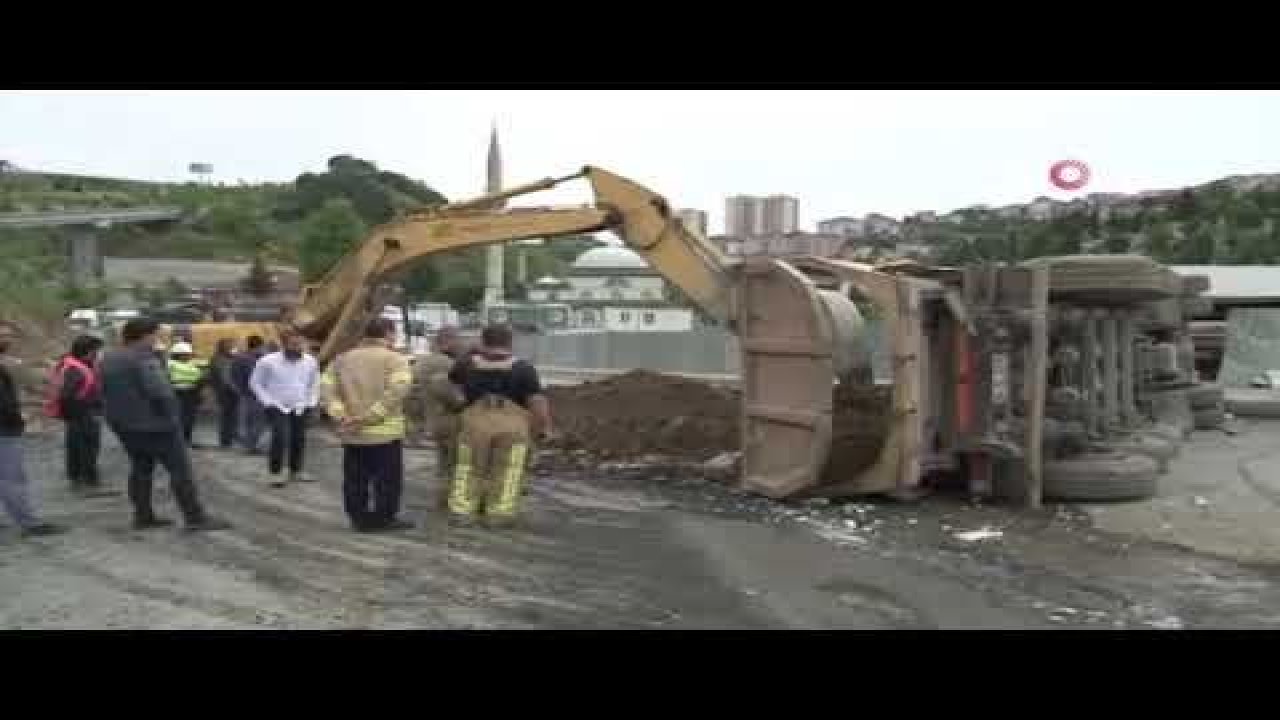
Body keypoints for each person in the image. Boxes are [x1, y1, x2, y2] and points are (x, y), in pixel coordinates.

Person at [99, 317, 230, 532]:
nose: (157, 340)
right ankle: (195, 517)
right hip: (156, 425)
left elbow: (103, 391)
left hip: (124, 425)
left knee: (141, 469)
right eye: (156, 335)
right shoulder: (144, 358)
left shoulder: (108, 358)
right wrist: (173, 418)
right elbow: (160, 391)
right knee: (180, 471)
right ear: (146, 335)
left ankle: (143, 515)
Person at [447, 323, 554, 528]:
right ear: (510, 342)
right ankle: (499, 515)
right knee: (508, 470)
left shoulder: (467, 365)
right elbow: (537, 403)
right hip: (512, 427)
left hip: (474, 424)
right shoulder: (524, 369)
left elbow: (452, 385)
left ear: (483, 340)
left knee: (468, 468)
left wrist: (461, 405)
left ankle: (462, 512)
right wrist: (543, 428)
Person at [321, 318, 414, 533]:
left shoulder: (341, 359)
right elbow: (397, 391)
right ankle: (383, 519)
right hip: (384, 435)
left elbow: (326, 389)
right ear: (388, 333)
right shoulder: (395, 360)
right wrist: (370, 417)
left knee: (355, 478)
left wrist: (341, 415)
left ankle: (358, 518)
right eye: (394, 333)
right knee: (387, 480)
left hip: (352, 433)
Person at [0, 321, 68, 538]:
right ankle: (29, 524)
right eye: (2, 336)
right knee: (12, 478)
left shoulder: (6, 364)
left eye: (9, 335)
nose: (7, 340)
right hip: (5, 430)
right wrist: (22, 415)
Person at [249, 330, 319, 488]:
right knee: (280, 437)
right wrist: (267, 401)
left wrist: (311, 402)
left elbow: (314, 383)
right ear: (284, 344)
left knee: (299, 438)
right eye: (293, 344)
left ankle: (296, 471)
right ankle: (275, 473)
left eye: (300, 344)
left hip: (301, 405)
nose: (298, 347)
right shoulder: (267, 361)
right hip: (276, 405)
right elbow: (255, 383)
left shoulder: (310, 361)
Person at [410, 325, 467, 506]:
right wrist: (462, 402)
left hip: (432, 420)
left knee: (443, 463)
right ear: (448, 341)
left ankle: (442, 498)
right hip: (450, 419)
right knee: (457, 463)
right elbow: (449, 392)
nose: (461, 344)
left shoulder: (421, 362)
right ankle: (455, 500)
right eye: (458, 340)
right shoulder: (447, 364)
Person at [54, 334, 115, 498]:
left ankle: (80, 478)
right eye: (97, 350)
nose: (99, 354)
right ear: (89, 351)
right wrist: (76, 414)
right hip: (82, 413)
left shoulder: (76, 364)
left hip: (81, 413)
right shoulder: (75, 368)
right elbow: (66, 395)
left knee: (79, 446)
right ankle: (88, 481)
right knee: (86, 447)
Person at [231, 335, 267, 453]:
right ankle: (251, 446)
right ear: (260, 346)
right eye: (262, 346)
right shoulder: (257, 359)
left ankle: (249, 445)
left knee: (247, 421)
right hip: (255, 395)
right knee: (257, 422)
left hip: (244, 394)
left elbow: (234, 376)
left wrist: (238, 390)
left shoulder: (239, 358)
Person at [166, 341, 205, 446]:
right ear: (178, 354)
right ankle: (177, 440)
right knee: (179, 417)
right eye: (185, 354)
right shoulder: (170, 364)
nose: (188, 356)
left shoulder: (192, 363)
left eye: (188, 354)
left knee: (190, 418)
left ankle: (186, 440)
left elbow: (204, 368)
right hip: (177, 392)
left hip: (191, 393)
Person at [208, 338, 240, 450]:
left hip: (228, 392)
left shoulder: (228, 358)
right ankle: (226, 441)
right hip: (225, 392)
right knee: (227, 416)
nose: (234, 348)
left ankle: (229, 439)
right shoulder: (219, 359)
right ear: (223, 347)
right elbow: (226, 378)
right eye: (231, 346)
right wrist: (237, 390)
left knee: (232, 416)